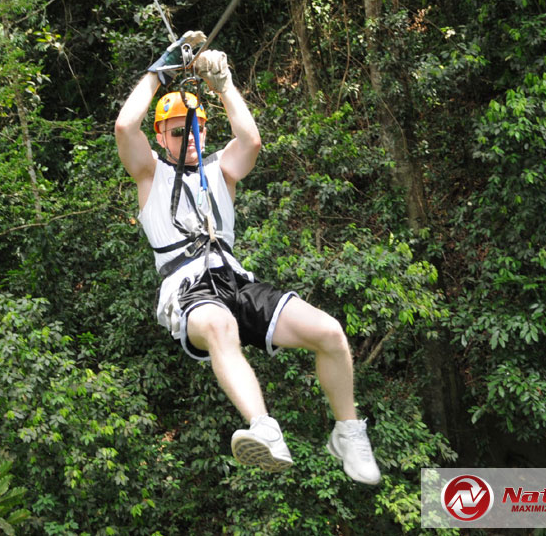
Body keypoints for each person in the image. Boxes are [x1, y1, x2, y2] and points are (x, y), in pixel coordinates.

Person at [114, 32, 381, 485]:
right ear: (161, 137)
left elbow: (251, 141)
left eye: (197, 127)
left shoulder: (220, 169)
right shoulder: (150, 174)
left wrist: (224, 86)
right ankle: (264, 428)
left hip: (234, 280)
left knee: (330, 333)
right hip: (187, 287)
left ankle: (348, 431)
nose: (190, 136)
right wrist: (160, 72)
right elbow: (124, 128)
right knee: (219, 327)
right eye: (178, 131)